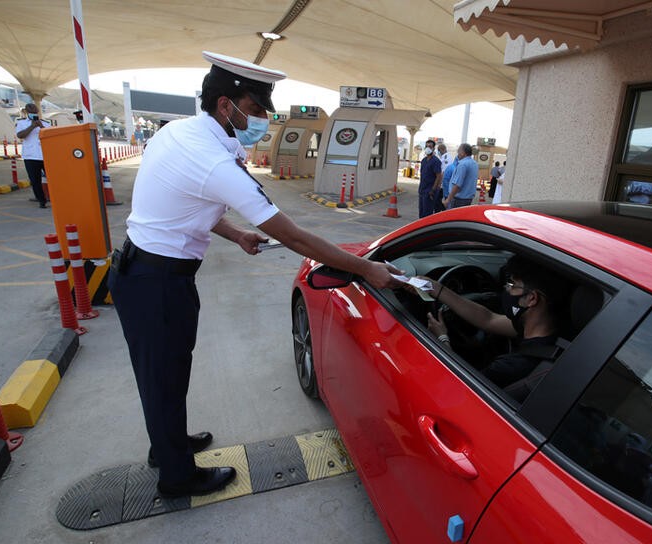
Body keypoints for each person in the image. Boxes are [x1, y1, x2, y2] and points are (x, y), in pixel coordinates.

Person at [107, 51, 403, 499]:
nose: (262, 118)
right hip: (158, 284)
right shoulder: (214, 161)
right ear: (226, 106)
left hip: (146, 275)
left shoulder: (178, 134)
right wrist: (365, 268)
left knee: (163, 373)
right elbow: (296, 237)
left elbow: (184, 206)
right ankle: (176, 476)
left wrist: (236, 234)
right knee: (164, 374)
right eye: (256, 108)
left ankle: (166, 445)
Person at [420, 255, 567, 388]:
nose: (506, 290)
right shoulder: (552, 331)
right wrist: (434, 287)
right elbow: (488, 319)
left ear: (532, 298)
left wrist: (442, 338)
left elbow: (460, 387)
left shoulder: (512, 366)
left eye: (512, 285)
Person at [15, 103, 50, 208]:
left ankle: (56, 197)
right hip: (30, 156)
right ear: (26, 112)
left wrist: (41, 126)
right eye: (30, 112)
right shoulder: (21, 123)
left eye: (34, 111)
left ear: (37, 111)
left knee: (52, 179)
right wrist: (32, 126)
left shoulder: (46, 123)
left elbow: (50, 135)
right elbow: (20, 135)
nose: (33, 113)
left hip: (45, 155)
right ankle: (41, 200)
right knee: (35, 181)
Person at [442, 143, 478, 209]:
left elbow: (457, 185)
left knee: (453, 218)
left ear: (463, 152)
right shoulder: (474, 163)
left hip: (458, 200)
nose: (457, 154)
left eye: (458, 151)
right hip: (468, 199)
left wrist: (448, 200)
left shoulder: (462, 164)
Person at [418, 139, 443, 218]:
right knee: (421, 212)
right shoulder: (424, 161)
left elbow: (438, 176)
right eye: (427, 146)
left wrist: (433, 190)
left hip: (429, 191)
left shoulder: (436, 161)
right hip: (422, 190)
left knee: (427, 214)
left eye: (430, 146)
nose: (428, 148)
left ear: (433, 148)